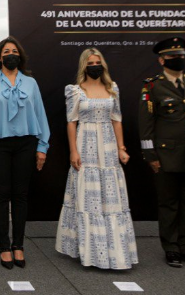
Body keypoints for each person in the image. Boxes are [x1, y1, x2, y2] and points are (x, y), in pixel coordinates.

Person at [0, 37, 49, 269]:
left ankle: (18, 245)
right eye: (7, 51)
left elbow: (40, 114)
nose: (11, 54)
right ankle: (4, 246)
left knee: (21, 195)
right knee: (2, 195)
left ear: (20, 56)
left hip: (26, 144)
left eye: (15, 51)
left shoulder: (31, 83)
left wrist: (42, 147)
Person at [56, 48, 137, 269]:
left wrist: (121, 148)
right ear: (84, 66)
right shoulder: (75, 91)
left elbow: (117, 119)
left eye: (98, 62)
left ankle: (115, 253)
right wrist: (73, 151)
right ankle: (88, 252)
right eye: (90, 63)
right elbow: (71, 122)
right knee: (86, 198)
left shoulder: (112, 89)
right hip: (85, 146)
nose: (94, 66)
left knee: (110, 199)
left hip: (108, 147)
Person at [137, 37, 185, 269]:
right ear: (162, 60)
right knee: (168, 203)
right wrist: (151, 156)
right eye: (172, 56)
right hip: (166, 156)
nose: (177, 59)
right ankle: (171, 248)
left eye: (180, 55)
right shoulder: (152, 86)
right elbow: (146, 124)